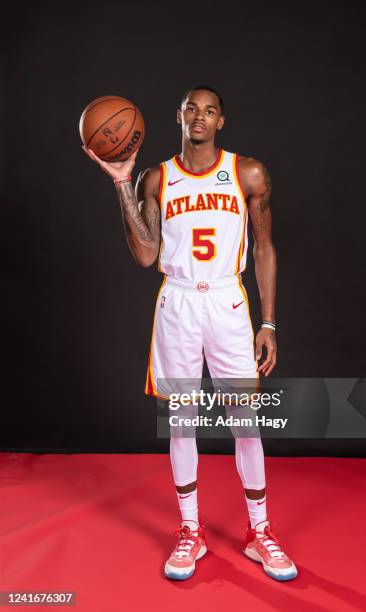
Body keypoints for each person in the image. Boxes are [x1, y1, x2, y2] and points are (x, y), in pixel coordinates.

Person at [82, 85, 297, 582]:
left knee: (247, 422)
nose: (199, 117)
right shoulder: (156, 178)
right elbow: (144, 254)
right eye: (190, 109)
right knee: (181, 420)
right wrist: (121, 182)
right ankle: (190, 531)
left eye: (209, 110)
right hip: (177, 302)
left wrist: (268, 322)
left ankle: (259, 532)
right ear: (178, 117)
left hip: (227, 301)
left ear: (221, 120)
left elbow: (264, 248)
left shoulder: (247, 172)